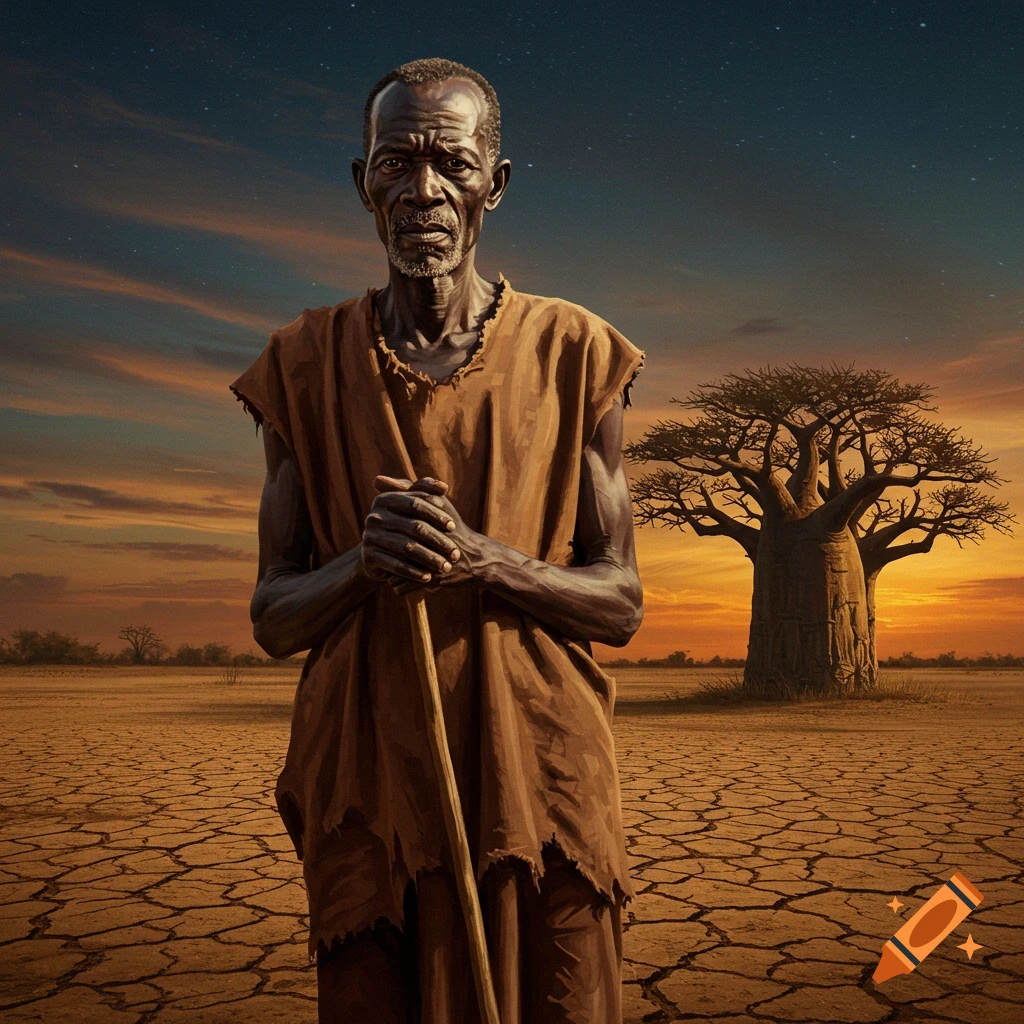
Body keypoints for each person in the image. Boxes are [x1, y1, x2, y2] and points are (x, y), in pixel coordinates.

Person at [230, 57, 644, 1024]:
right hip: (369, 780)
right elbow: (273, 618)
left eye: (450, 163)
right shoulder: (300, 363)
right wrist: (361, 567)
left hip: (540, 773)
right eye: (394, 163)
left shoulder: (577, 352)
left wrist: (485, 556)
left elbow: (621, 604)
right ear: (361, 182)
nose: (422, 191)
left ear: (492, 185)